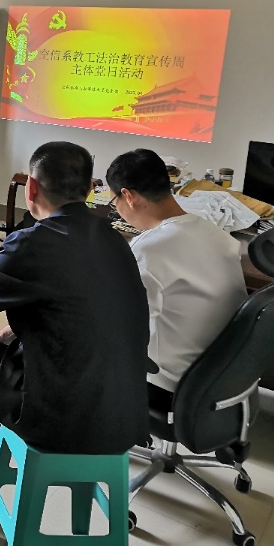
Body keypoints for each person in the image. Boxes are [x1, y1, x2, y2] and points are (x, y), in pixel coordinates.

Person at [0, 142, 149, 513]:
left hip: (56, 416)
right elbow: (77, 311)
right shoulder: (114, 239)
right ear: (89, 190)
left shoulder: (35, 243)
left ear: (31, 188)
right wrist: (15, 332)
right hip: (122, 410)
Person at [106, 148, 248, 411]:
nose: (116, 208)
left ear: (128, 196)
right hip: (220, 370)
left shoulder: (149, 249)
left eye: (114, 200)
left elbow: (119, 325)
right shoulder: (214, 233)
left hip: (168, 383)